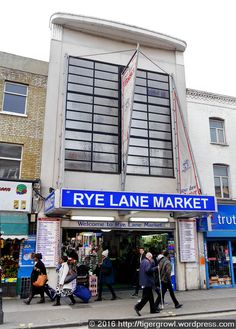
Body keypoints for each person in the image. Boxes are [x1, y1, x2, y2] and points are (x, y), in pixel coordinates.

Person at [134, 252, 159, 316]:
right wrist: (156, 268)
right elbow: (148, 270)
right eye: (151, 258)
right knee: (146, 297)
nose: (151, 259)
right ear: (149, 257)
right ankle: (137, 307)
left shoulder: (143, 261)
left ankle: (153, 309)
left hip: (144, 281)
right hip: (147, 282)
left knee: (151, 297)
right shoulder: (147, 262)